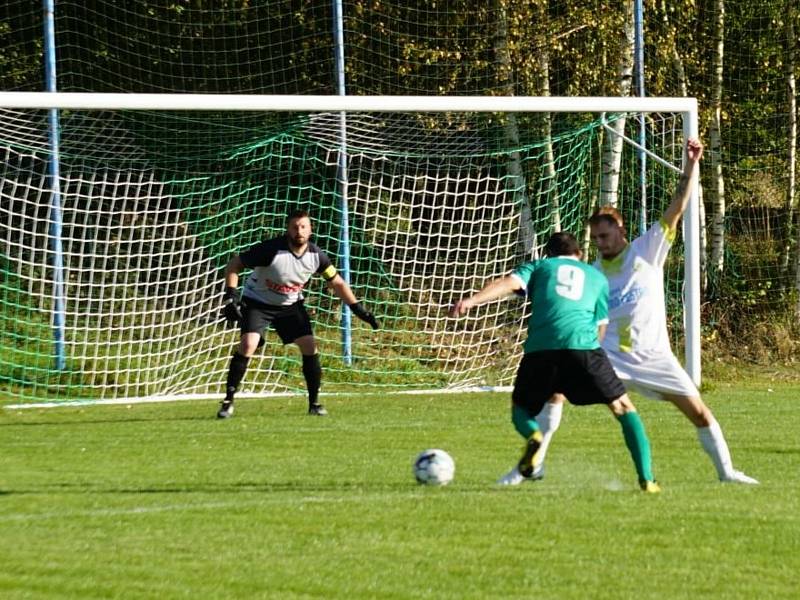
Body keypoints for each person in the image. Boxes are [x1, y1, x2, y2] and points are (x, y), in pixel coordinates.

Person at [534, 137, 758, 484]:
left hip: (655, 357)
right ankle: (535, 464)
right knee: (556, 388)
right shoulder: (593, 273)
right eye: (595, 238)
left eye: (605, 236)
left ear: (620, 230)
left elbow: (678, 206)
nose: (600, 243)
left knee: (698, 412)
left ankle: (727, 473)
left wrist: (691, 164)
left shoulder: (647, 249)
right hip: (610, 358)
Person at [450, 232, 661, 492]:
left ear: (547, 254)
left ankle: (533, 435)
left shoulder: (540, 266)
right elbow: (601, 328)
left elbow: (507, 283)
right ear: (579, 255)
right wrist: (589, 357)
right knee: (623, 408)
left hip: (541, 351)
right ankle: (647, 479)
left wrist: (471, 301)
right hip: (583, 349)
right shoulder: (596, 277)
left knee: (521, 410)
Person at [217, 208, 379, 419]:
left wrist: (358, 308)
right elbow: (234, 265)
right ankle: (228, 402)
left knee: (309, 346)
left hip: (290, 306)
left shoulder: (316, 256)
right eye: (295, 227)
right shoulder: (271, 249)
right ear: (287, 229)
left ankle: (314, 403)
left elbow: (336, 281)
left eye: (303, 227)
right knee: (248, 345)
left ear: (310, 230)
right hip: (258, 302)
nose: (299, 231)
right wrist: (231, 296)